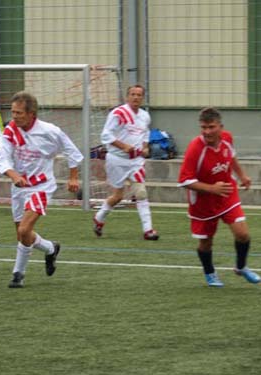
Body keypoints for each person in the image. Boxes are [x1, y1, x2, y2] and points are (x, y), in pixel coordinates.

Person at [0, 91, 83, 288]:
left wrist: (73, 177)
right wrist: (14, 175)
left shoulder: (50, 131)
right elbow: (3, 158)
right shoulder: (10, 131)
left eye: (19, 113)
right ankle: (50, 248)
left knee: (25, 229)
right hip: (19, 187)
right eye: (13, 112)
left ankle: (18, 274)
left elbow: (71, 151)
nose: (15, 116)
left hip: (41, 186)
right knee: (22, 234)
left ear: (31, 113)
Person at [178, 107, 260, 287]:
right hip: (202, 202)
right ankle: (210, 273)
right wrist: (211, 188)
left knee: (243, 234)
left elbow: (231, 158)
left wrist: (242, 175)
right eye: (204, 127)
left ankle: (241, 267)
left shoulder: (227, 138)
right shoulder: (195, 148)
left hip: (226, 194)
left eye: (211, 127)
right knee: (206, 243)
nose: (207, 132)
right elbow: (184, 180)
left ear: (220, 127)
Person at [92, 84, 159, 240]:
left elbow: (145, 134)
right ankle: (99, 218)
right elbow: (106, 136)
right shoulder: (118, 113)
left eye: (139, 95)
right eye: (133, 94)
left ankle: (148, 230)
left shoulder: (144, 116)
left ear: (143, 98)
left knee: (141, 192)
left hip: (136, 161)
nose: (136, 97)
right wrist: (124, 147)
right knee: (117, 197)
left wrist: (145, 147)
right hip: (116, 160)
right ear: (127, 96)